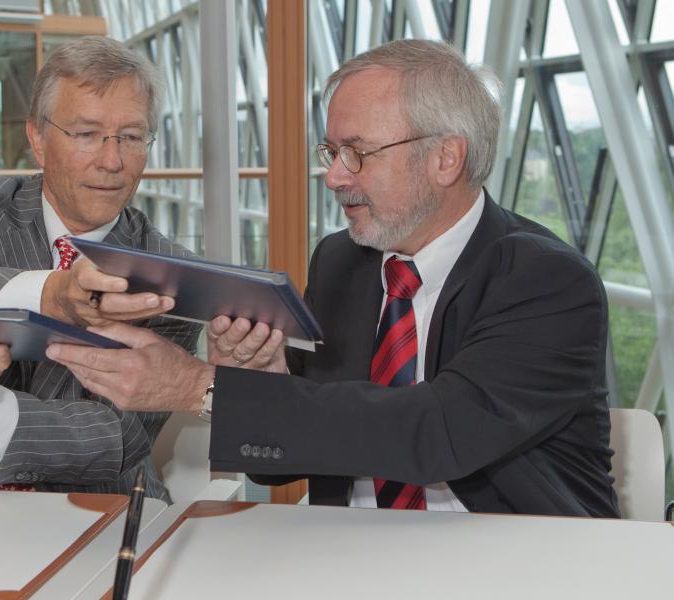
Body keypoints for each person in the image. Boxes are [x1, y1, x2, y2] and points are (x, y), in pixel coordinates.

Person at [45, 39, 619, 517]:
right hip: (344, 554)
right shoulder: (343, 262)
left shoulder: (546, 280)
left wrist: (199, 386)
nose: (334, 176)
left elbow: (434, 433)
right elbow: (290, 464)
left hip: (520, 563)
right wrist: (259, 376)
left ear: (446, 158)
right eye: (331, 150)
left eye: (357, 153)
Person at [0, 36, 201, 501]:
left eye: (130, 137)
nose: (112, 162)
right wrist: (52, 294)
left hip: (94, 508)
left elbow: (116, 435)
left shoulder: (171, 275)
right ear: (38, 140)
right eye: (86, 135)